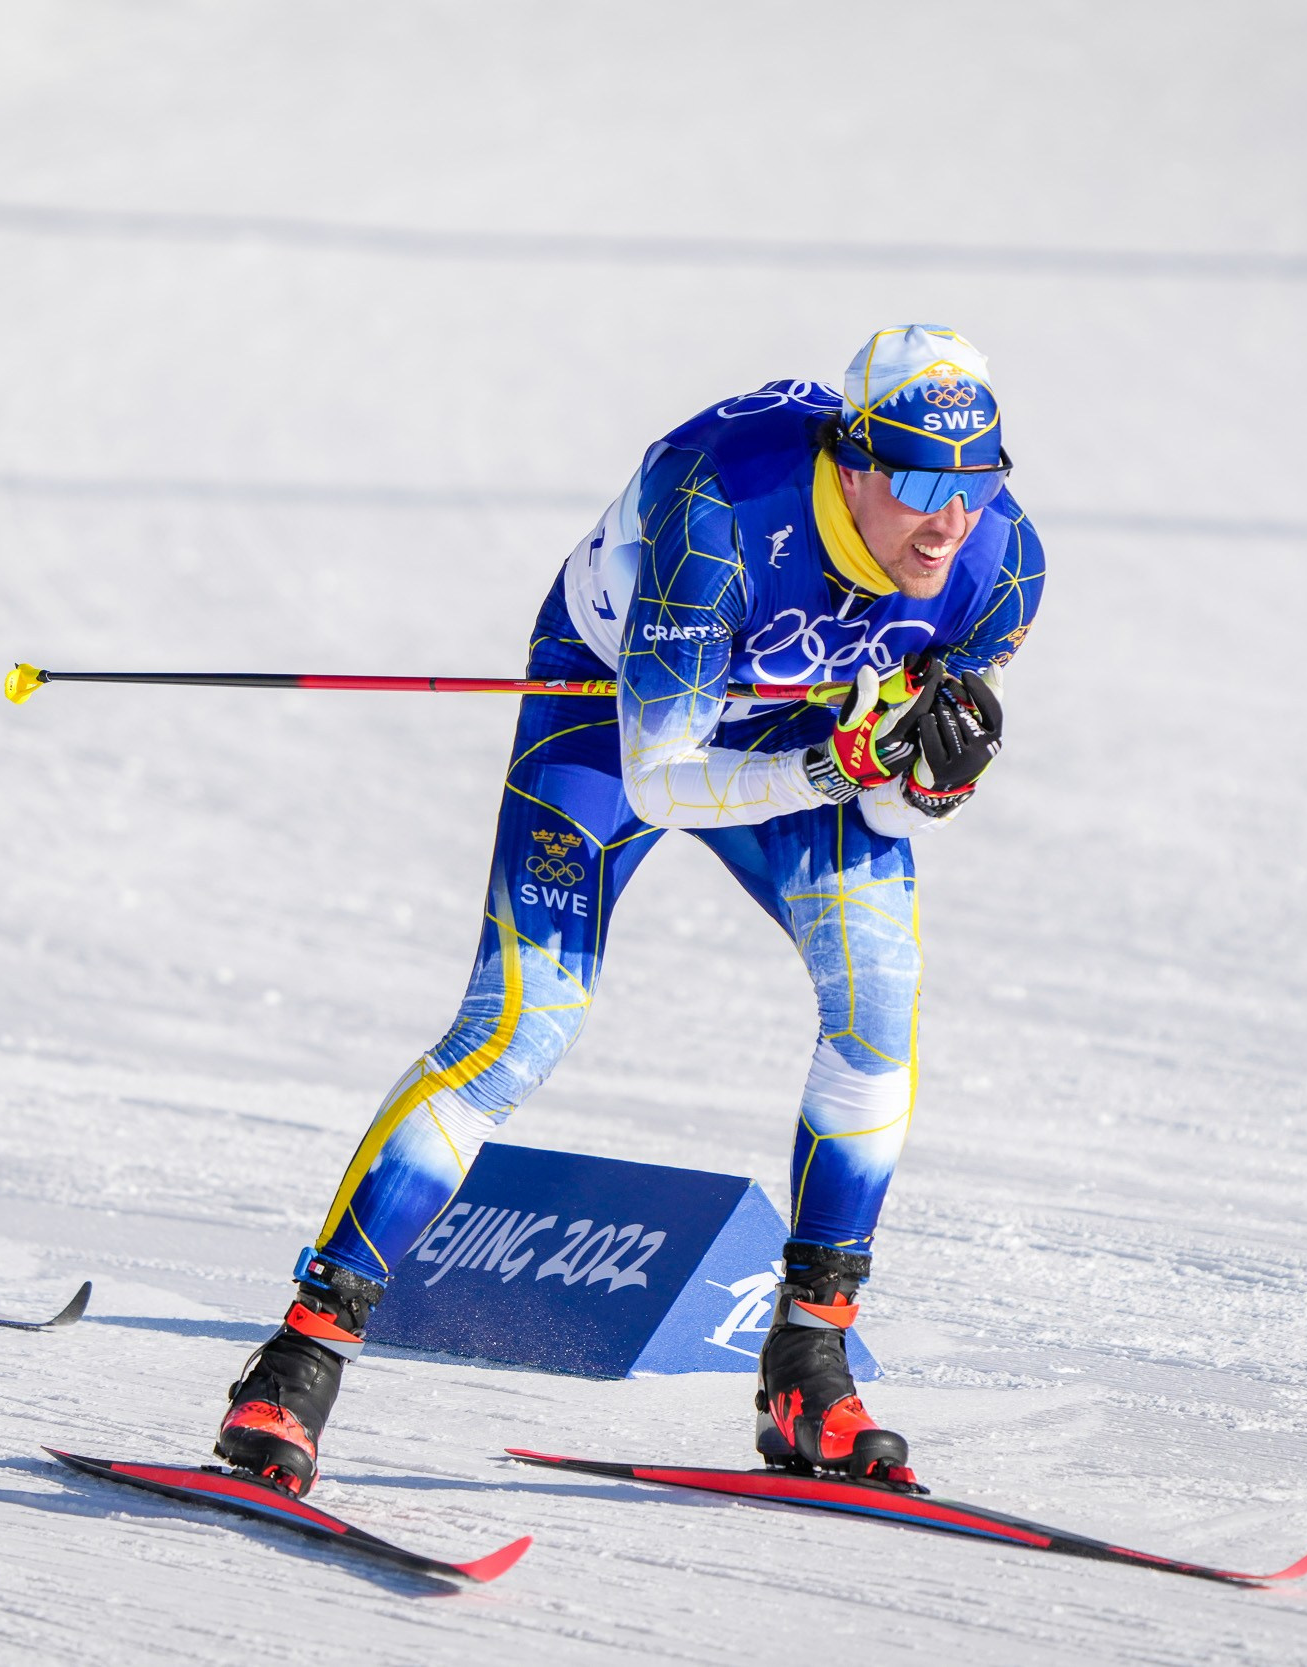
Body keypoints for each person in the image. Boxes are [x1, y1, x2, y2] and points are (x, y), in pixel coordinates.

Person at [214, 326, 1045, 1496]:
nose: (944, 519)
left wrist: (929, 780)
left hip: (800, 733)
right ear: (849, 459)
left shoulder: (1001, 563)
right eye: (914, 480)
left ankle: (810, 1358)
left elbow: (908, 812)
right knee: (517, 1030)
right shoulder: (722, 504)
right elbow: (662, 777)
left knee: (878, 1000)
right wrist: (841, 764)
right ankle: (299, 1358)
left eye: (973, 482)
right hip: (612, 711)